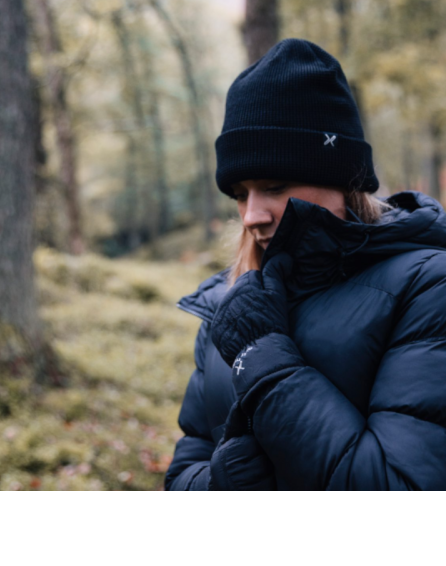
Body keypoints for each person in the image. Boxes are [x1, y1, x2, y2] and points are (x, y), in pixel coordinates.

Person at [165, 38, 446, 491]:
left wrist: (263, 359)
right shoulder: (228, 300)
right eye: (239, 194)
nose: (252, 214)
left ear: (340, 180)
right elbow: (186, 463)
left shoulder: (428, 286)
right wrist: (222, 485)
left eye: (274, 186)